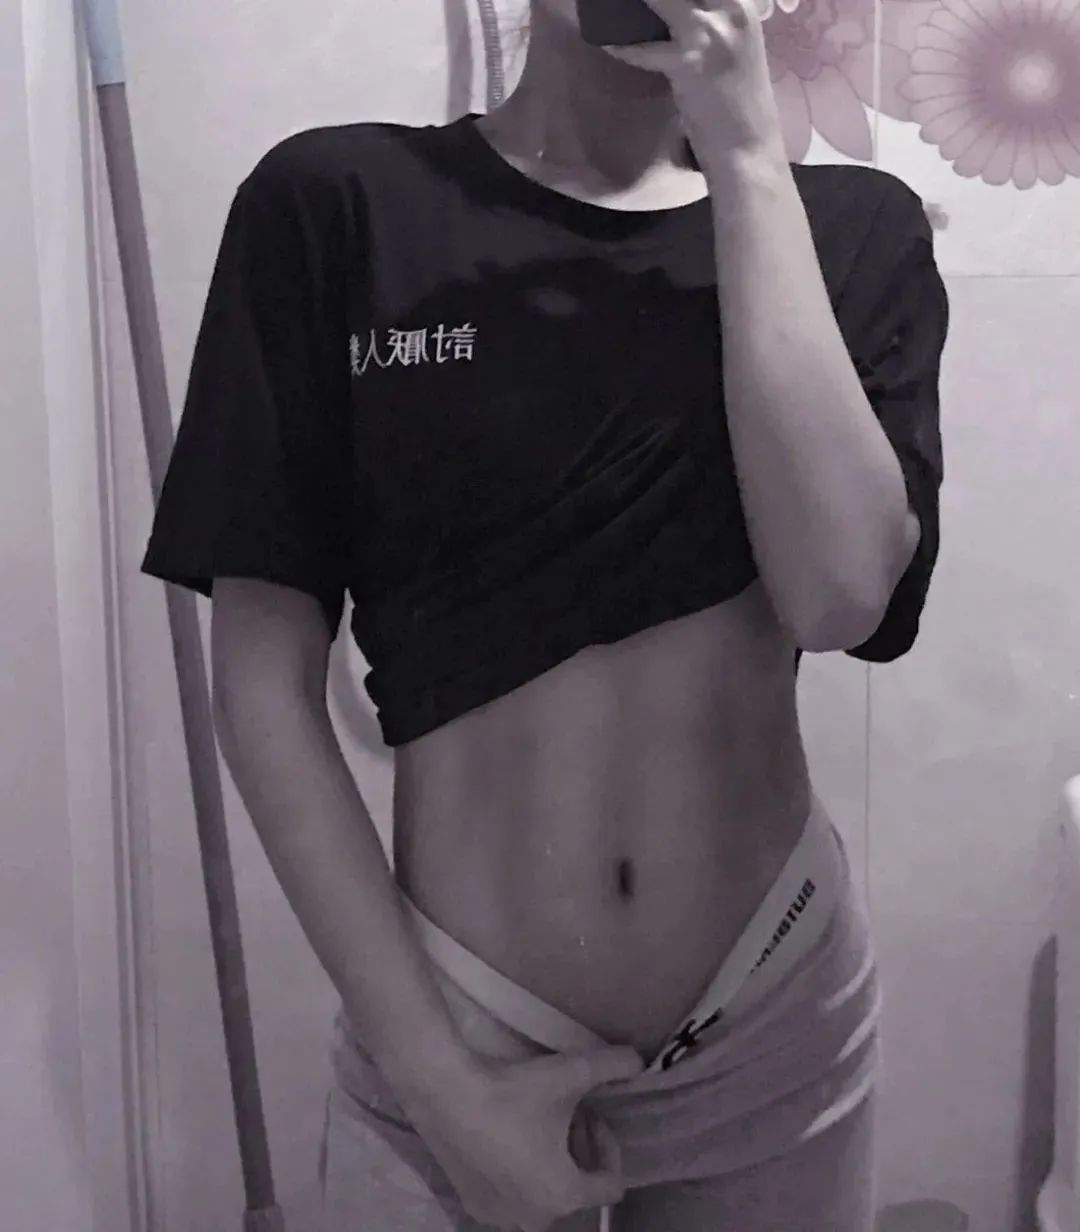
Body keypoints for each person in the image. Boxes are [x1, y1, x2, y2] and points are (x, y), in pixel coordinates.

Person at [140, 0, 949, 1227]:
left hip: (774, 1014)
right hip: (458, 1034)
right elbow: (261, 682)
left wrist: (743, 152)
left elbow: (839, 594)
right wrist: (440, 1084)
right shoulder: (334, 203)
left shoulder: (851, 230)